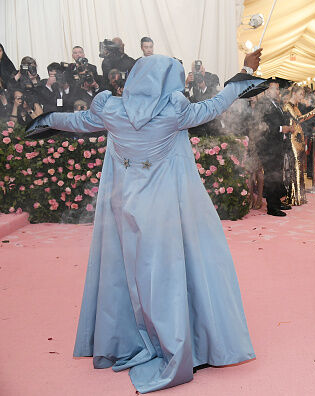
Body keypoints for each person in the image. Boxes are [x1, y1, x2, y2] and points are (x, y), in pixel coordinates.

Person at [26, 50, 264, 393]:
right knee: (163, 278)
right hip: (164, 212)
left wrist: (46, 120)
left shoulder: (110, 109)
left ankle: (135, 337)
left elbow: (75, 122)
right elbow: (216, 104)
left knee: (131, 275)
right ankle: (174, 343)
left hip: (124, 209)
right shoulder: (173, 112)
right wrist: (243, 75)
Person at [258, 80, 294, 216]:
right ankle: (272, 207)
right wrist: (281, 128)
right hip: (268, 146)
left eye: (278, 89)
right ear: (268, 90)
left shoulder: (276, 103)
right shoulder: (263, 104)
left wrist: (287, 128)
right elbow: (261, 126)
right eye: (276, 89)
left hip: (277, 145)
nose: (278, 92)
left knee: (278, 174)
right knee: (271, 176)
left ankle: (277, 202)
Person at [283, 85, 315, 206]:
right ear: (294, 93)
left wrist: (312, 113)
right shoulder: (288, 105)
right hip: (293, 139)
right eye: (300, 94)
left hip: (299, 138)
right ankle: (295, 197)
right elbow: (298, 119)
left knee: (299, 166)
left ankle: (298, 196)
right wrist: (312, 112)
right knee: (296, 167)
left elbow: (300, 120)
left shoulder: (295, 106)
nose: (302, 97)